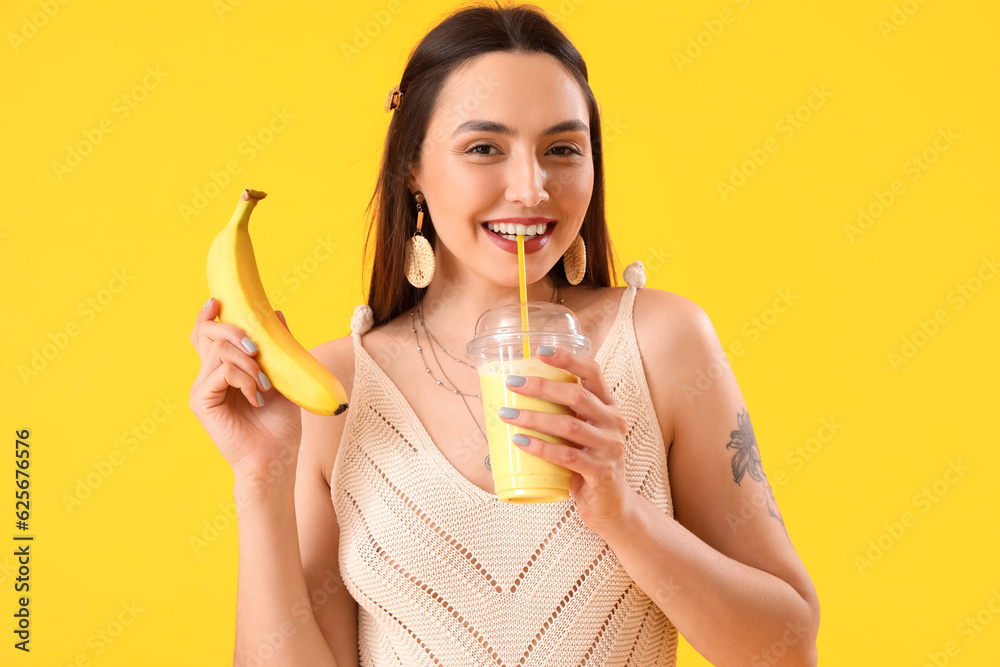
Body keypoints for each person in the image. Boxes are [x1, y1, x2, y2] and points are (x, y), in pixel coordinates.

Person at [189, 2, 820, 665]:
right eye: (484, 147)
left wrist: (621, 514)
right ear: (414, 169)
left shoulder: (662, 344)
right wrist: (260, 479)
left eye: (562, 149)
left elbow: (786, 648)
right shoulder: (334, 394)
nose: (531, 187)